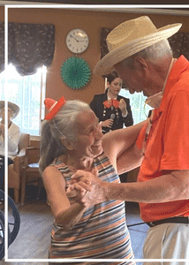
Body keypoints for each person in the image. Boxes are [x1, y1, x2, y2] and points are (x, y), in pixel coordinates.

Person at [72, 16, 189, 265]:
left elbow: (181, 186)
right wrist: (94, 180)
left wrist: (105, 191)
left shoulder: (184, 94)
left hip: (182, 233)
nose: (131, 90)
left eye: (126, 79)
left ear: (141, 64)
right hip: (184, 232)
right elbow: (138, 151)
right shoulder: (179, 91)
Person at [39, 96, 144, 264]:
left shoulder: (107, 148)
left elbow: (147, 127)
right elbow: (63, 220)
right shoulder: (54, 172)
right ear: (68, 143)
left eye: (98, 124)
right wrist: (82, 203)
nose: (99, 133)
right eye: (90, 131)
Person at [0, 101, 20, 190]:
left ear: (12, 114)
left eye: (8, 111)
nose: (5, 113)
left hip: (8, 156)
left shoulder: (16, 129)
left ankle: (1, 194)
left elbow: (13, 149)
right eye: (3, 110)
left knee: (1, 163)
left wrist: (5, 135)